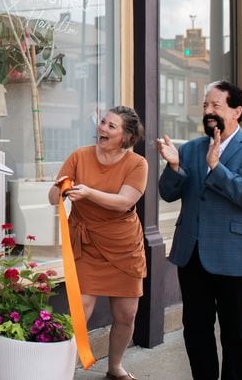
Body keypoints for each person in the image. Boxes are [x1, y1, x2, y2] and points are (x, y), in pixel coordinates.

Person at [157, 81, 242, 380]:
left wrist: (217, 167)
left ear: (237, 111)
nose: (208, 112)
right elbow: (168, 194)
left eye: (215, 106)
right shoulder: (191, 148)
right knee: (195, 330)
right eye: (205, 106)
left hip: (235, 256)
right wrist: (172, 167)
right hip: (192, 253)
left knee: (235, 335)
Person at [48, 106, 148, 380]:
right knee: (80, 309)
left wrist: (89, 192)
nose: (103, 128)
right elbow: (51, 197)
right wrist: (61, 188)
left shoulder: (137, 164)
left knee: (127, 314)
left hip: (123, 245)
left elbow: (125, 202)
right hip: (87, 243)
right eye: (103, 122)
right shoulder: (79, 156)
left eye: (111, 126)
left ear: (125, 137)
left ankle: (115, 367)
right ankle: (62, 370)